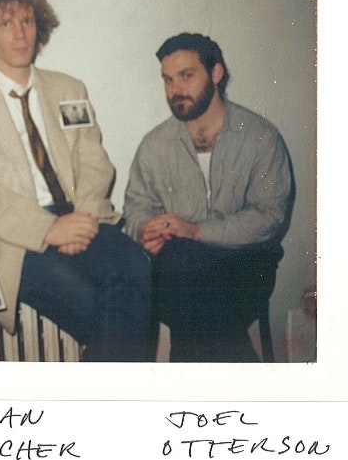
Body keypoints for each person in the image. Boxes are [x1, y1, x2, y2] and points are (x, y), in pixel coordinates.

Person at [0, 0, 152, 362]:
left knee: (135, 265)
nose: (21, 34)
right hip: (17, 239)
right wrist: (49, 229)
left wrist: (81, 220)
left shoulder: (70, 90)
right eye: (6, 23)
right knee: (106, 310)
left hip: (84, 217)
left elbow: (92, 159)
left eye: (28, 21)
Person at [123, 33, 295, 362]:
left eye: (186, 76)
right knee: (182, 272)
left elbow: (270, 217)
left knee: (191, 295)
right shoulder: (154, 145)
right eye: (168, 79)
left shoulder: (259, 138)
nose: (175, 90)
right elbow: (136, 209)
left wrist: (197, 230)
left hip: (246, 267)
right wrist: (145, 231)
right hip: (180, 272)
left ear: (215, 73)